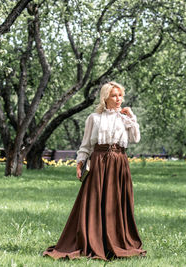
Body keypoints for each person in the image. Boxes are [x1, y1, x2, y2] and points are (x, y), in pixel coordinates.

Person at [43, 81, 146, 260]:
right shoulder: (94, 118)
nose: (118, 99)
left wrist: (132, 117)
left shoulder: (124, 118)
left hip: (119, 162)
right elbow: (86, 145)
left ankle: (116, 241)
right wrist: (80, 163)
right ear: (105, 97)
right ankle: (93, 240)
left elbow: (135, 138)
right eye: (114, 95)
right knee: (95, 202)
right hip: (98, 162)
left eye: (120, 95)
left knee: (116, 202)